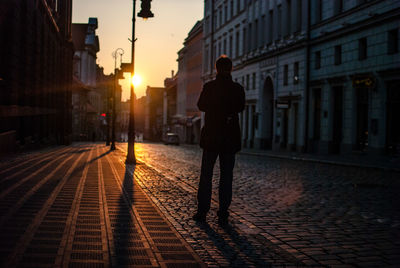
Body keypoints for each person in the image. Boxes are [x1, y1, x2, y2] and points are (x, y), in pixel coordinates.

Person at [193, 55, 245, 226]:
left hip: (211, 138)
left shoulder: (209, 87)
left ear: (216, 69)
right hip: (229, 138)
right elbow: (240, 107)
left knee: (206, 175)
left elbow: (201, 105)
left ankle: (202, 211)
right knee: (226, 177)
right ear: (231, 69)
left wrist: (215, 108)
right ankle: (223, 213)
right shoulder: (237, 88)